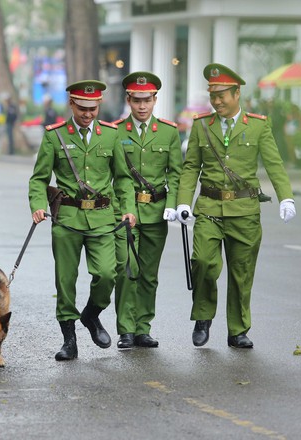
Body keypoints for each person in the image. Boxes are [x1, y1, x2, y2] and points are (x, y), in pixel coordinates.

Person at [176, 63, 296, 349]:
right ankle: (203, 316)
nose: (217, 102)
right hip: (209, 208)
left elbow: (274, 164)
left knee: (241, 272)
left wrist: (286, 196)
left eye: (222, 96)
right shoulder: (202, 125)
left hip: (244, 211)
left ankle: (238, 330)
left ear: (237, 93)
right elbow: (191, 167)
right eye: (213, 96)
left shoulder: (258, 126)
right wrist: (183, 202)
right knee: (203, 262)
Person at [28, 80, 137, 361]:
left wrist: (128, 208)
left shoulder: (111, 136)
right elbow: (39, 179)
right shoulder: (55, 136)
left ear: (99, 105)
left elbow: (123, 178)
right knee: (65, 280)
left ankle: (91, 313)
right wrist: (38, 206)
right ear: (71, 104)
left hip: (102, 218)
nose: (88, 114)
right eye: (82, 108)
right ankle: (69, 339)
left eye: (93, 108)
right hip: (66, 219)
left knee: (106, 273)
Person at [112, 71, 182, 349]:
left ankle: (143, 328)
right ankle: (126, 329)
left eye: (147, 100)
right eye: (137, 100)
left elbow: (176, 173)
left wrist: (174, 205)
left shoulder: (168, 131)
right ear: (128, 99)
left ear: (155, 100)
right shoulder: (115, 131)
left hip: (156, 212)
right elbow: (114, 175)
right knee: (126, 269)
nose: (142, 106)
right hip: (125, 213)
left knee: (149, 274)